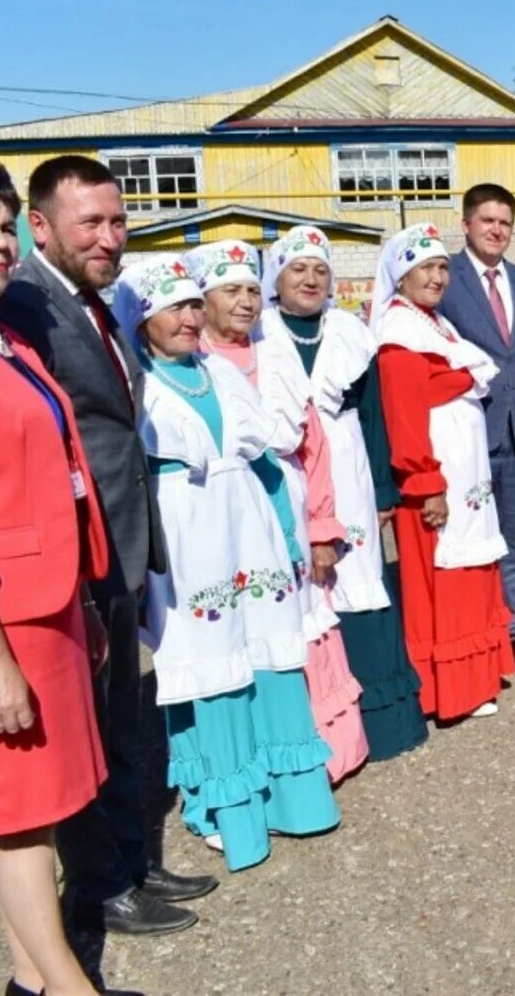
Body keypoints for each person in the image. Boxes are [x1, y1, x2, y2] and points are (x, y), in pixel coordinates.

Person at [0, 154, 213, 936]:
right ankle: (98, 883)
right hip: (73, 553)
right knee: (82, 722)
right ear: (41, 225)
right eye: (91, 221)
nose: (110, 236)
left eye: (117, 221)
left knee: (120, 713)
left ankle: (132, 854)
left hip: (120, 539)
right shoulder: (24, 306)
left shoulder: (99, 302)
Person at [0, 154, 126, 996]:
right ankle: (68, 986)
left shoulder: (3, 334)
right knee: (16, 819)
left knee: (38, 807)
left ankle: (29, 979)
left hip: (46, 601)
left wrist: (83, 601)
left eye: (1, 224)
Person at [121, 254, 340, 872]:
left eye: (195, 304)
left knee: (266, 655)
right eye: (176, 307)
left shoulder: (218, 370)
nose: (192, 318)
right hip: (186, 534)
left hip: (247, 526)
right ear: (141, 319)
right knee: (209, 664)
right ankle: (224, 803)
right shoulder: (136, 384)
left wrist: (293, 540)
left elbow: (267, 455)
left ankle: (288, 797)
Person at [190, 240, 370, 783]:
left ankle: (322, 754)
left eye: (250, 289)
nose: (245, 302)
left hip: (288, 510)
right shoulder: (193, 362)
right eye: (230, 291)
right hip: (225, 525)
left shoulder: (275, 355)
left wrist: (321, 529)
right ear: (203, 300)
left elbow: (312, 446)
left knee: (304, 626)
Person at [260, 226, 428, 760]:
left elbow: (376, 416)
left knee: (359, 582)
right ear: (276, 277)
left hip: (350, 463)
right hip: (288, 469)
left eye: (319, 269)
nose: (310, 279)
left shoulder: (351, 331)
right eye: (297, 269)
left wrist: (383, 488)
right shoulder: (258, 334)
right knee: (303, 591)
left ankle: (381, 725)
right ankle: (319, 729)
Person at [371, 223, 515, 719]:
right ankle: (448, 688)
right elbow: (406, 419)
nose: (436, 277)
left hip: (464, 480)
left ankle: (475, 676)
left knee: (470, 577)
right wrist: (427, 484)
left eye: (440, 267)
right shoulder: (400, 334)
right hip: (435, 484)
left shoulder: (434, 325)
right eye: (424, 269)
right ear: (400, 275)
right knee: (444, 583)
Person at [438, 184, 515, 670]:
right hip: (465, 432)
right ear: (466, 224)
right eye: (487, 220)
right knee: (465, 534)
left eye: (504, 222)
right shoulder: (445, 278)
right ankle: (472, 630)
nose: (496, 230)